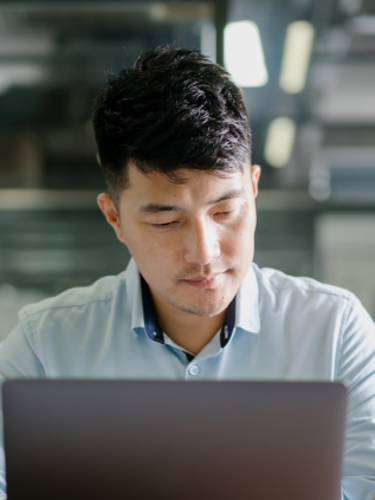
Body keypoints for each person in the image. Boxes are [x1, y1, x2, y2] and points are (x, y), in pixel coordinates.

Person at [0, 45, 374, 499]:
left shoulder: (335, 333)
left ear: (254, 190)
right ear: (114, 217)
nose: (204, 252)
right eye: (166, 221)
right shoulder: (45, 350)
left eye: (226, 211)